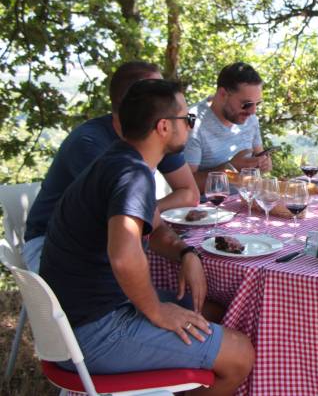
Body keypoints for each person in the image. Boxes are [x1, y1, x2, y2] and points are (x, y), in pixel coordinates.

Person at [39, 79, 254, 394]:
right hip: (92, 332)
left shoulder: (119, 160)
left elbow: (153, 231)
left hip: (79, 319)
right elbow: (125, 257)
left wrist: (186, 254)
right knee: (240, 355)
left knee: (215, 311)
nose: (192, 127)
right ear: (164, 127)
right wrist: (156, 310)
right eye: (188, 119)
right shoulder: (131, 176)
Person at [23, 61, 200, 273]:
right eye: (157, 91)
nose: (167, 97)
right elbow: (113, 220)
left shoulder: (159, 136)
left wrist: (146, 210)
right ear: (134, 101)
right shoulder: (90, 145)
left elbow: (190, 193)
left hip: (105, 239)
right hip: (53, 245)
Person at [186, 62, 271, 191]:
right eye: (246, 104)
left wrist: (263, 163)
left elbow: (260, 157)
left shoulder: (250, 117)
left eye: (257, 104)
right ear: (222, 94)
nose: (253, 111)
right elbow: (187, 186)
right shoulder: (193, 123)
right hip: (210, 207)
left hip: (246, 202)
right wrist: (230, 168)